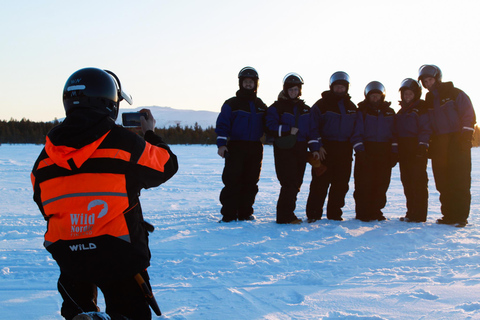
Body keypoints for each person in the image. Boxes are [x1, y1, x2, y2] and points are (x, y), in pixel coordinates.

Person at [31, 67, 179, 320]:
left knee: (76, 307)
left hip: (69, 256)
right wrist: (150, 133)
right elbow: (166, 165)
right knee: (131, 311)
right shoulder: (123, 142)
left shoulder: (45, 158)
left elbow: (43, 203)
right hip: (119, 253)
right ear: (109, 102)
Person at [418, 64, 476, 227]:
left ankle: (460, 216)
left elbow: (468, 114)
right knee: (443, 180)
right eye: (425, 82)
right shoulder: (429, 100)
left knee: (459, 179)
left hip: (457, 141)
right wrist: (426, 142)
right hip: (439, 143)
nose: (428, 84)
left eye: (430, 80)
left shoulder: (454, 93)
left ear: (437, 78)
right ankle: (449, 214)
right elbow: (427, 123)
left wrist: (465, 136)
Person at [306, 71, 362, 222]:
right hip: (326, 149)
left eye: (342, 87)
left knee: (341, 184)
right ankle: (313, 215)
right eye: (337, 87)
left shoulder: (351, 107)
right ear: (332, 87)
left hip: (344, 149)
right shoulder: (321, 105)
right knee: (320, 183)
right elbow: (312, 127)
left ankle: (334, 214)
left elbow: (357, 129)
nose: (339, 90)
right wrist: (318, 146)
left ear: (346, 88)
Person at [265, 73, 321, 224]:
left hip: (301, 149)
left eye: (296, 89)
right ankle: (284, 216)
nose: (293, 92)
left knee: (297, 182)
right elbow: (270, 126)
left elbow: (312, 131)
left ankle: (288, 214)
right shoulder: (276, 108)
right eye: (290, 89)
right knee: (288, 182)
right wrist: (287, 130)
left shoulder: (305, 110)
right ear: (285, 90)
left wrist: (315, 148)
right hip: (284, 149)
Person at [215, 67, 267, 222]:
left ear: (256, 84)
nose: (249, 84)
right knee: (232, 181)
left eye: (251, 82)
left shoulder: (260, 105)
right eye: (246, 82)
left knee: (251, 182)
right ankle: (229, 215)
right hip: (236, 146)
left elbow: (269, 123)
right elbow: (223, 124)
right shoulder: (232, 104)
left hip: (255, 147)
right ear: (241, 83)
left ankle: (245, 213)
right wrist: (221, 144)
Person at [354, 81, 397, 222]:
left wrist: (394, 152)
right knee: (364, 183)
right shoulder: (362, 111)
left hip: (384, 151)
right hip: (367, 150)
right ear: (367, 96)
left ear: (382, 96)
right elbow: (357, 131)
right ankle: (363, 212)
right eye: (372, 96)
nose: (375, 99)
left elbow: (395, 133)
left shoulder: (390, 112)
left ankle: (376, 210)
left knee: (381, 182)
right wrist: (360, 150)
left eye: (377, 96)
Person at [395, 78, 431, 223]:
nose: (407, 96)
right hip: (404, 150)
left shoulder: (421, 109)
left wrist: (423, 145)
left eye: (410, 94)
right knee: (407, 182)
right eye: (405, 94)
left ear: (416, 94)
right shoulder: (401, 111)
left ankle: (420, 215)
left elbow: (426, 128)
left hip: (417, 149)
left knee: (418, 183)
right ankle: (411, 212)